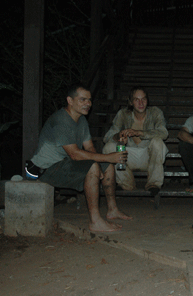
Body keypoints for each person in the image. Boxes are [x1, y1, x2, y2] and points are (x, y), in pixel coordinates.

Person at [29, 83, 132, 233]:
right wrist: (105, 158)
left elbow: (89, 148)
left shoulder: (81, 120)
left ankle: (112, 209)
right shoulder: (61, 121)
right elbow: (75, 154)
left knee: (107, 165)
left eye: (89, 100)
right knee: (94, 165)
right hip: (48, 169)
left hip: (65, 163)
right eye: (83, 100)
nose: (88, 104)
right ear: (70, 101)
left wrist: (104, 161)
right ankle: (95, 221)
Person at [102, 86, 168, 196]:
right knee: (109, 147)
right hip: (129, 156)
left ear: (147, 100)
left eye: (143, 99)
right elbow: (107, 137)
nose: (141, 103)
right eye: (137, 100)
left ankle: (153, 184)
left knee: (158, 142)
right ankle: (126, 183)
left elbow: (164, 133)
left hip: (149, 157)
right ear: (131, 102)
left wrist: (139, 132)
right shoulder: (123, 114)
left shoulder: (155, 112)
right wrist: (119, 135)